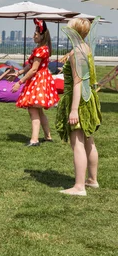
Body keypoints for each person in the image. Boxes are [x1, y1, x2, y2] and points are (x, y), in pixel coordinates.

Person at [55, 18, 102, 196]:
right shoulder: (86, 48)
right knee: (88, 139)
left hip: (79, 100)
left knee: (78, 143)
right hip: (89, 98)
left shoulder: (76, 53)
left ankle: (79, 186)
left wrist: (74, 109)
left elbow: (77, 82)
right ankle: (92, 179)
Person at [12, 19, 59, 146]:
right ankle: (47, 136)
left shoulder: (40, 50)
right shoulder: (43, 49)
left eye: (36, 34)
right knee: (39, 111)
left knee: (33, 110)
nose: (34, 36)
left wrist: (20, 82)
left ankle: (34, 140)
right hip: (42, 79)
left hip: (38, 80)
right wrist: (19, 72)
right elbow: (31, 65)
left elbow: (33, 69)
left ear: (42, 36)